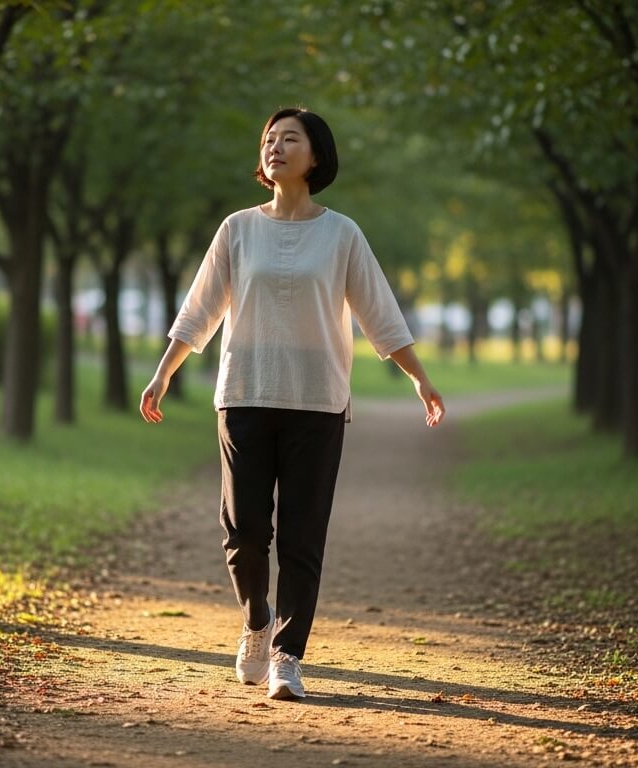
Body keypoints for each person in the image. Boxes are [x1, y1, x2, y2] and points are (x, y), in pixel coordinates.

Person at [139, 107, 445, 701]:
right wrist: (162, 375)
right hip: (245, 395)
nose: (275, 147)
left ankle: (286, 655)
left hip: (317, 402)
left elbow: (380, 313)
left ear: (316, 156)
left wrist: (420, 379)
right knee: (244, 532)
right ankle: (257, 621)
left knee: (303, 538)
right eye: (269, 140)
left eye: (290, 139)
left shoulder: (342, 234)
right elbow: (200, 309)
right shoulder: (237, 229)